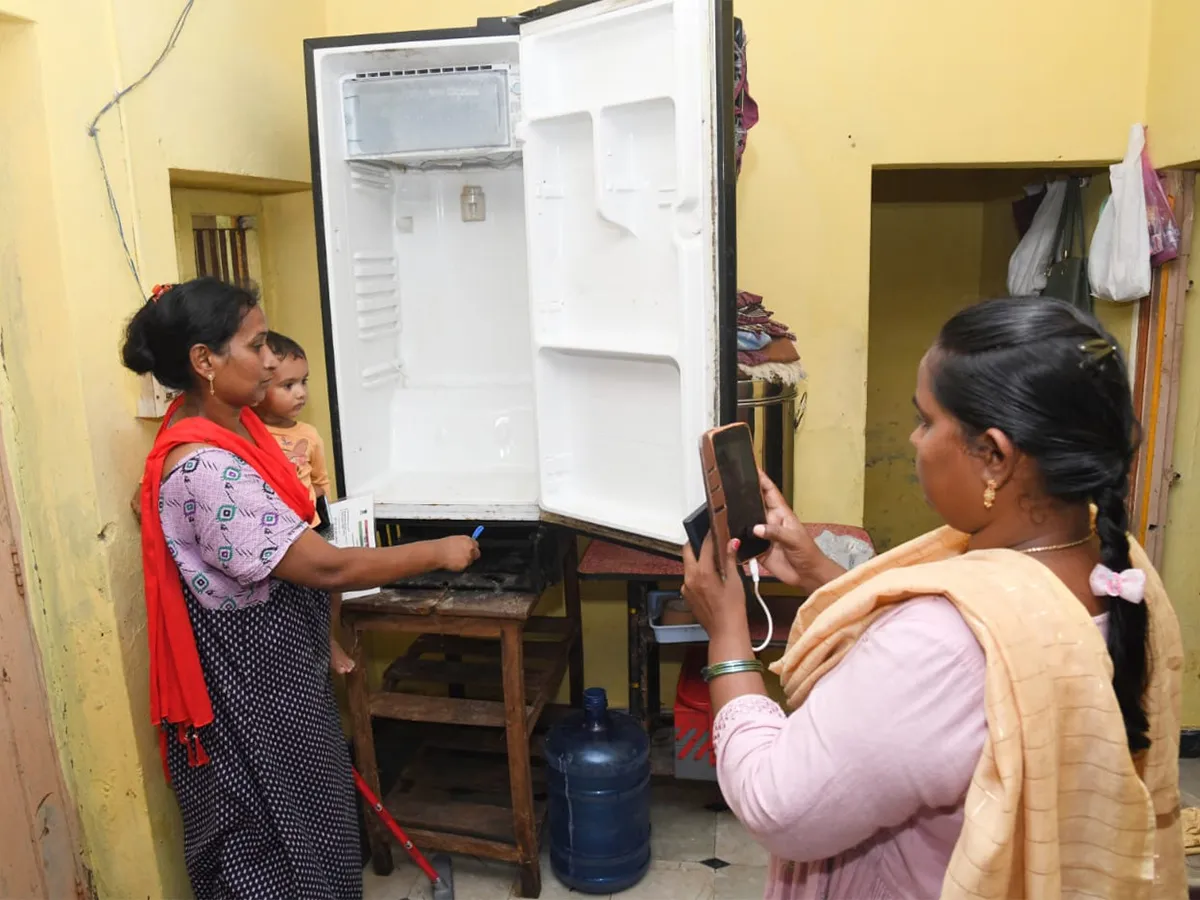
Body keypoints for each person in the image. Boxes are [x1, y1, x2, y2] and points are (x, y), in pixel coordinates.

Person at [682, 297, 1186, 899]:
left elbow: (776, 806)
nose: (915, 440)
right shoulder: (1117, 565)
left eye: (926, 420)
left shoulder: (947, 643)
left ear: (995, 456)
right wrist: (821, 573)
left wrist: (727, 635)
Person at [121, 278, 479, 900]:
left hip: (283, 678)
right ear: (204, 361)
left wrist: (328, 640)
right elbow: (326, 567)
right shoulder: (207, 466)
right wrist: (438, 551)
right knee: (274, 847)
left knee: (315, 830)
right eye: (255, 345)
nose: (268, 360)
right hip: (250, 698)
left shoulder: (222, 428)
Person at [253, 330, 353, 675]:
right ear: (259, 385)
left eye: (304, 382)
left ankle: (329, 638)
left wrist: (331, 521)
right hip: (277, 534)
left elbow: (320, 483)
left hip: (311, 525)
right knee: (292, 596)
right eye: (287, 385)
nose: (300, 393)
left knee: (332, 584)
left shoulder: (308, 434)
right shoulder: (250, 432)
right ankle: (307, 645)